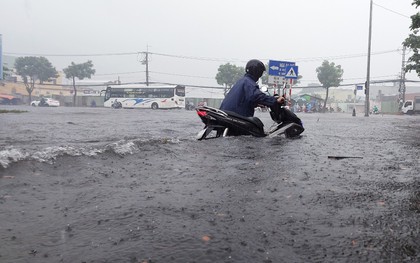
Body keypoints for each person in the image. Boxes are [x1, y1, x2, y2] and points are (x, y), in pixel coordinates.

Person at [220, 59, 284, 117]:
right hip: (236, 115)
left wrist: (257, 104)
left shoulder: (243, 81)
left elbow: (245, 99)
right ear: (257, 72)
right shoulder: (249, 83)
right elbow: (257, 96)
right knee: (257, 125)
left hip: (227, 113)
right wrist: (275, 100)